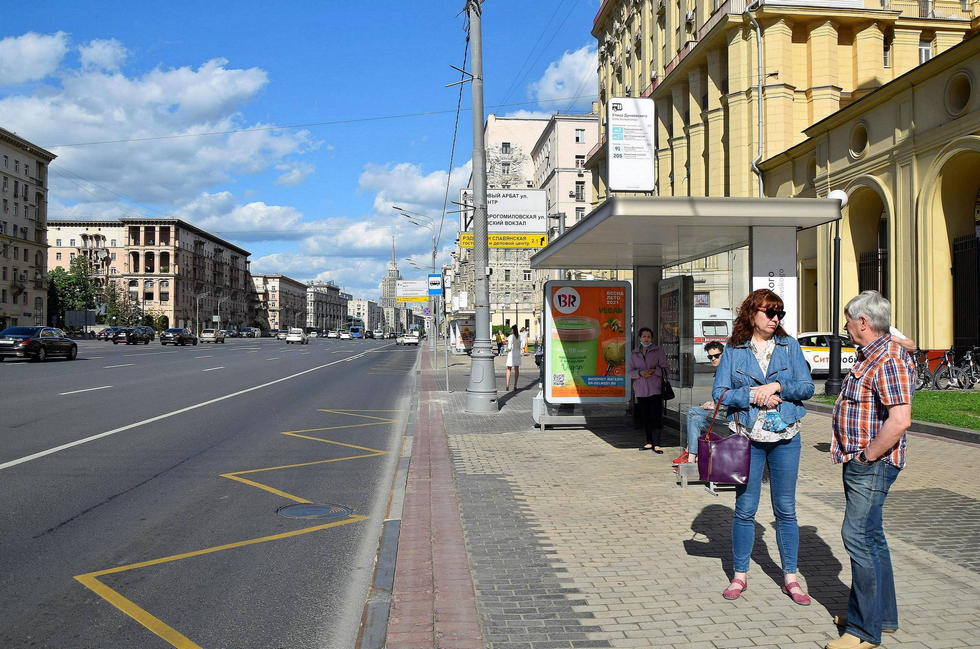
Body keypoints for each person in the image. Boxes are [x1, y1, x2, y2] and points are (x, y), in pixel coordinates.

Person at [711, 289, 814, 604]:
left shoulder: (789, 346)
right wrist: (753, 395)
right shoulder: (734, 349)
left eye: (779, 313)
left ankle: (790, 578)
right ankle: (739, 575)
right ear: (752, 313)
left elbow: (807, 387)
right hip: (748, 436)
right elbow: (720, 392)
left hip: (786, 436)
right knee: (745, 509)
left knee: (786, 509)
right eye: (769, 312)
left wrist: (778, 386)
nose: (775, 319)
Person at [827, 291, 914, 649]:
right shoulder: (873, 354)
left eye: (848, 321)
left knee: (858, 537)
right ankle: (881, 617)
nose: (845, 327)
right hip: (862, 462)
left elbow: (900, 420)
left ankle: (864, 632)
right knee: (872, 539)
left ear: (863, 322)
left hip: (872, 465)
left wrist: (866, 457)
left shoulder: (888, 358)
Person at [673, 341, 725, 465]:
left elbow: (732, 396)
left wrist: (715, 405)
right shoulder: (720, 371)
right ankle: (692, 457)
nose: (713, 359)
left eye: (716, 356)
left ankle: (689, 454)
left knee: (692, 411)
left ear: (724, 354)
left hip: (727, 415)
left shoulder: (727, 371)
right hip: (720, 411)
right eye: (710, 357)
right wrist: (712, 403)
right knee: (696, 419)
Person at [628, 327, 669, 453]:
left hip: (655, 389)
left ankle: (657, 443)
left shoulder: (658, 351)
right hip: (641, 390)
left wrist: (654, 371)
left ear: (652, 338)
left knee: (656, 416)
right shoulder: (634, 353)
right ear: (640, 338)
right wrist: (640, 373)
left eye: (649, 337)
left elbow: (666, 369)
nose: (646, 339)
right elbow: (629, 372)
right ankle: (649, 442)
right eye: (644, 336)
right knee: (645, 416)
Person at [504, 324, 521, 391]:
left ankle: (507, 385)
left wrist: (506, 349)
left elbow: (509, 347)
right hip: (517, 354)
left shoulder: (511, 336)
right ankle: (515, 385)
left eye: (511, 329)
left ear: (513, 330)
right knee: (516, 369)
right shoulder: (519, 336)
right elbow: (522, 345)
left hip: (511, 354)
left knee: (509, 369)